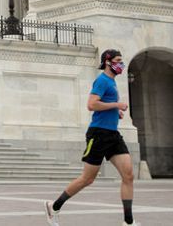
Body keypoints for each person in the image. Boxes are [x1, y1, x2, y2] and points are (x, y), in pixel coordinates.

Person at [45, 49, 137, 226]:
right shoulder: (102, 80)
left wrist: (114, 111)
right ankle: (54, 206)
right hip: (98, 134)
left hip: (113, 135)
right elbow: (91, 104)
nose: (121, 65)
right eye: (118, 61)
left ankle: (128, 221)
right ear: (108, 62)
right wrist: (117, 104)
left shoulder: (111, 82)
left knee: (128, 175)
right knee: (87, 178)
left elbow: (102, 104)